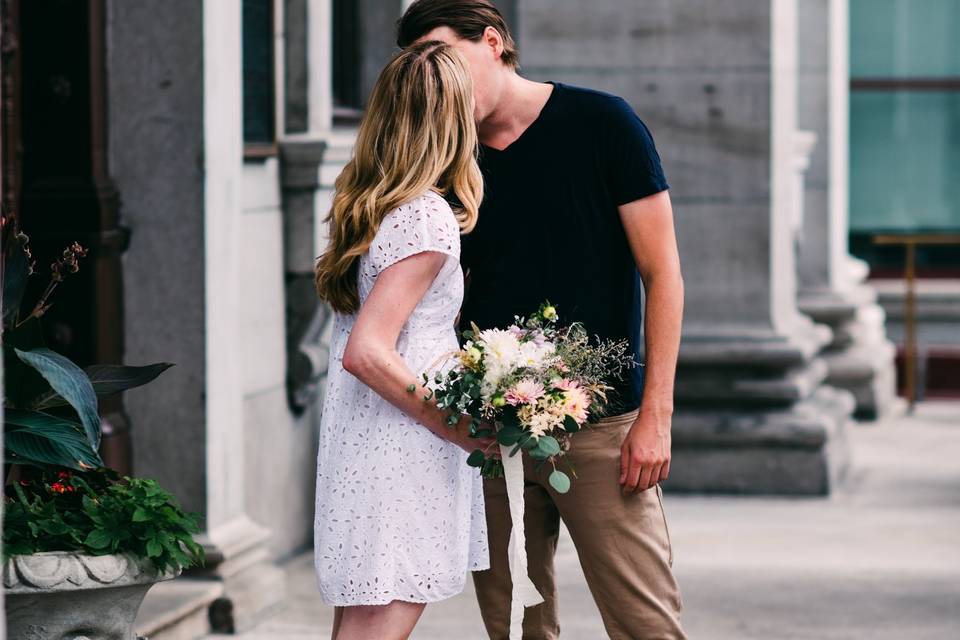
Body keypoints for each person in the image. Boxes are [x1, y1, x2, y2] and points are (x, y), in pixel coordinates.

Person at [398, 2, 689, 639]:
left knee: (646, 624)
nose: (438, 82)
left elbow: (662, 273)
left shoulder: (602, 123)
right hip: (487, 427)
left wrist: (656, 417)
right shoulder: (445, 155)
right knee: (514, 627)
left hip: (602, 426)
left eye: (447, 59)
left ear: (494, 42)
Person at [312, 40, 495, 640]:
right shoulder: (426, 217)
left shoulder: (375, 207)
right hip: (402, 445)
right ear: (451, 118)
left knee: (360, 627)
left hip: (374, 435)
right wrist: (460, 428)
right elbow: (367, 350)